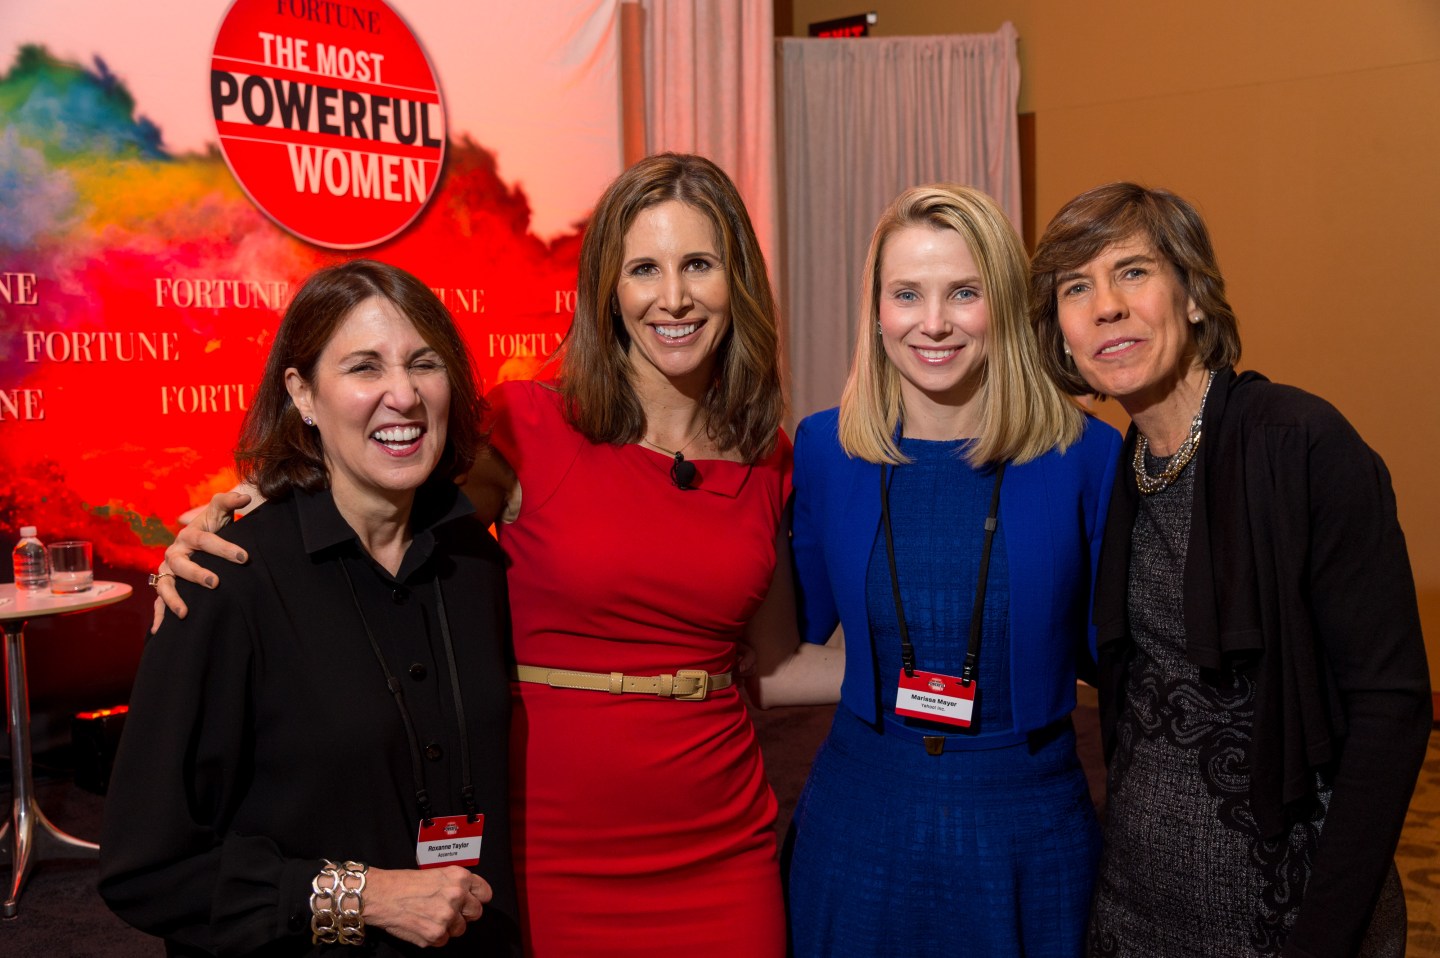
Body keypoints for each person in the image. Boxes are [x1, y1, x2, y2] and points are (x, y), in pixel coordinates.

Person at [149, 154, 838, 957]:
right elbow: (376, 496)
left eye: (698, 265)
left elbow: (770, 661)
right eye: (643, 269)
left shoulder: (768, 455)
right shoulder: (527, 426)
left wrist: (952, 674)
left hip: (723, 844)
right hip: (553, 848)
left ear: (738, 282)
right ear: (609, 291)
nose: (672, 296)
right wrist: (243, 509)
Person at [1029, 182, 1432, 958]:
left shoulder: (1302, 446)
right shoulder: (1126, 465)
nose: (1104, 305)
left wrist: (1324, 938)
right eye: (1076, 288)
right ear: (1063, 333)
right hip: (1137, 904)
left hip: (1287, 913)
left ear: (1192, 297)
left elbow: (1392, 711)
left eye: (1133, 272)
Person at [99, 261, 520, 956]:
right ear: (303, 394)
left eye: (424, 364)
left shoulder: (474, 561)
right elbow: (146, 869)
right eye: (363, 368)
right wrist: (361, 897)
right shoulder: (224, 579)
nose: (404, 395)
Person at [778, 184, 1122, 956]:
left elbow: (1125, 667)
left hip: (1027, 832)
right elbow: (785, 639)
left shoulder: (1087, 456)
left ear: (1000, 302)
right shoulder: (826, 451)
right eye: (907, 294)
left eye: (963, 293)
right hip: (859, 827)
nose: (933, 323)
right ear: (876, 310)